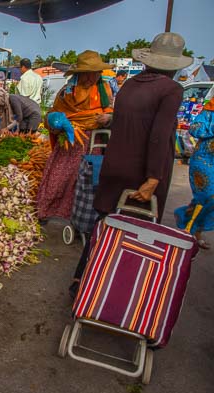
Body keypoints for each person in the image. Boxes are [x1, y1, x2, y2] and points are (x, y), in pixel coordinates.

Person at [69, 33, 193, 298]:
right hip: (140, 170)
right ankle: (114, 293)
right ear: (173, 65)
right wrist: (153, 177)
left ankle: (81, 283)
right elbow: (159, 136)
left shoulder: (129, 84)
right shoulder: (171, 90)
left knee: (105, 225)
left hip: (113, 165)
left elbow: (123, 122)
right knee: (136, 233)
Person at [36, 50, 114, 221]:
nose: (90, 78)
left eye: (94, 74)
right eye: (86, 74)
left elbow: (112, 112)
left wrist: (107, 118)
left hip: (94, 141)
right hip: (70, 142)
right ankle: (44, 211)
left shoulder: (105, 89)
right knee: (59, 178)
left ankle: (80, 218)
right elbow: (54, 113)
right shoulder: (68, 91)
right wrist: (57, 122)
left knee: (86, 182)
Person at [174, 100, 214, 250]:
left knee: (209, 200)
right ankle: (189, 231)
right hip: (203, 160)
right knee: (209, 195)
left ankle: (192, 226)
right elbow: (195, 129)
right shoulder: (210, 109)